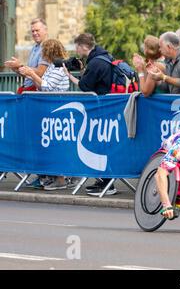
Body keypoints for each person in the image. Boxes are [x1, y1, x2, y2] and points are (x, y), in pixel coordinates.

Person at [65, 33, 117, 196]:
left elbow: (85, 86)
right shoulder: (105, 56)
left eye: (77, 47)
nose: (76, 50)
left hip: (101, 109)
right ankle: (104, 180)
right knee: (105, 143)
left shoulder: (95, 62)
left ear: (82, 46)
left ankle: (108, 182)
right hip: (112, 107)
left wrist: (69, 76)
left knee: (101, 144)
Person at [18, 39, 71, 190]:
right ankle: (48, 176)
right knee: (46, 144)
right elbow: (41, 83)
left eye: (44, 51)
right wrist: (25, 72)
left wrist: (32, 75)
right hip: (48, 112)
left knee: (55, 145)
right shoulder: (52, 67)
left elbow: (47, 87)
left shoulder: (59, 68)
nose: (41, 54)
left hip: (56, 112)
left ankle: (60, 178)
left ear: (49, 52)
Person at [4, 18, 50, 93]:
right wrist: (17, 69)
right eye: (33, 31)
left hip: (36, 90)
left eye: (37, 30)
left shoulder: (48, 47)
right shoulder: (34, 47)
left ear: (45, 30)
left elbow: (40, 73)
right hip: (27, 88)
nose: (35, 33)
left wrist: (20, 65)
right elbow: (28, 75)